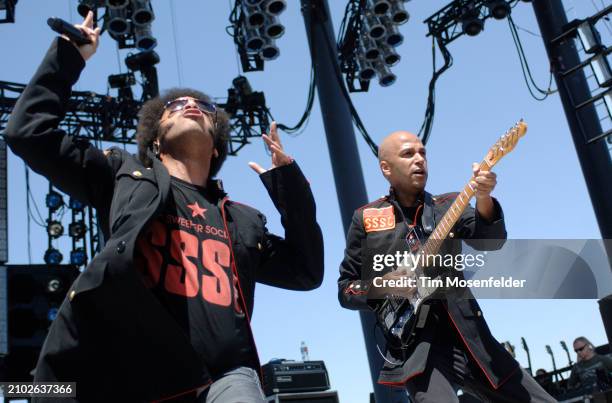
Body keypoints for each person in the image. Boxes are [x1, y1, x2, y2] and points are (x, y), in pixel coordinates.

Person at [5, 12, 324, 402]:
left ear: (217, 145)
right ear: (155, 142)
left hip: (221, 379)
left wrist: (289, 185)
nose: (189, 105)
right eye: (175, 105)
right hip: (128, 373)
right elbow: (27, 132)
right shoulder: (122, 175)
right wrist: (70, 58)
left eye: (201, 106)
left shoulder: (242, 221)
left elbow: (307, 271)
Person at [338, 131, 556, 402]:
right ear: (386, 168)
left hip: (473, 338)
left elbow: (491, 242)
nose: (419, 159)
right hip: (420, 350)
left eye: (422, 153)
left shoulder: (448, 204)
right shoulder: (366, 218)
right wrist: (384, 285)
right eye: (408, 154)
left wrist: (484, 198)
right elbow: (346, 289)